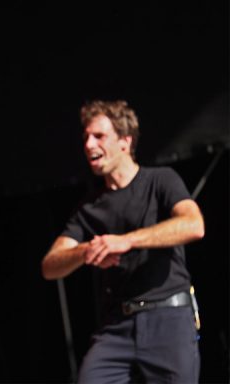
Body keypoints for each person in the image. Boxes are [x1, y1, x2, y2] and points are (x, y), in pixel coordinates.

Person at [41, 100, 204, 383]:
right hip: (117, 326)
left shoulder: (160, 181)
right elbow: (50, 266)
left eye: (99, 136)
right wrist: (86, 250)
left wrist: (126, 241)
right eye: (86, 138)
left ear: (125, 142)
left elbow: (193, 225)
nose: (89, 145)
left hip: (168, 315)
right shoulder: (89, 208)